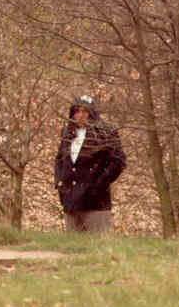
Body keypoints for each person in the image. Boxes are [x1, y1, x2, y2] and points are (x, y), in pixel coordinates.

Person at [54, 95, 126, 232]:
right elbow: (59, 159)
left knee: (97, 249)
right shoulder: (67, 133)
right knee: (72, 249)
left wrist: (99, 184)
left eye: (85, 111)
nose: (80, 115)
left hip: (96, 204)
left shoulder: (106, 132)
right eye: (77, 111)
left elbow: (118, 161)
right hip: (70, 202)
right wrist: (59, 182)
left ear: (92, 113)